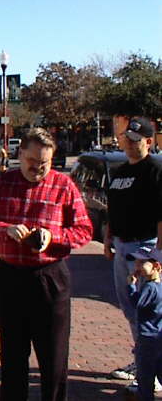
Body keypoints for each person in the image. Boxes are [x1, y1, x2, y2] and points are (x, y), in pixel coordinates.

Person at [0, 127, 92, 401]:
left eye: (44, 163)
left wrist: (53, 237)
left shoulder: (63, 185)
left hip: (49, 277)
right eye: (32, 161)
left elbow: (84, 230)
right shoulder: (5, 182)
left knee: (54, 357)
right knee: (12, 355)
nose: (38, 168)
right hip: (10, 276)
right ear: (20, 154)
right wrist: (5, 230)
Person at [103, 116, 162, 385]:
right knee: (130, 309)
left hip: (145, 247)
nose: (129, 143)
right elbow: (112, 210)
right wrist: (108, 240)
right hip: (122, 245)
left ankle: (152, 373)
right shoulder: (120, 172)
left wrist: (157, 255)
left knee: (149, 312)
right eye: (127, 138)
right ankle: (143, 361)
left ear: (148, 142)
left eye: (136, 140)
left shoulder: (155, 170)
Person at [126, 246, 162, 401]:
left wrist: (131, 286)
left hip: (147, 337)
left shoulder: (149, 287)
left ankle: (145, 396)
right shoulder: (159, 287)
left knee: (145, 372)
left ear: (156, 266)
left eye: (142, 263)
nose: (137, 266)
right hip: (159, 334)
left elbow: (137, 303)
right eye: (136, 262)